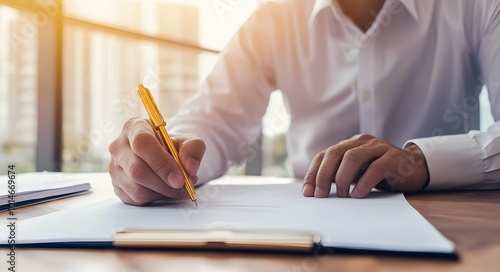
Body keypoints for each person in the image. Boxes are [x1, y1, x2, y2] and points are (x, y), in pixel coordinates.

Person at [108, 0, 500, 206]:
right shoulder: (274, 20)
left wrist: (422, 161)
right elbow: (213, 121)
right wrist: (168, 155)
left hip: (447, 223)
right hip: (309, 224)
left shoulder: (474, 5)